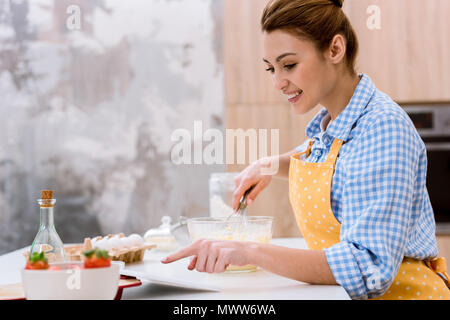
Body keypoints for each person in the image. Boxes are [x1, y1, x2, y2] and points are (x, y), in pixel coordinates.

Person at [162, 0, 450, 300]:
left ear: (335, 50)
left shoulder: (382, 127)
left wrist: (250, 251)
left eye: (289, 65)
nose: (278, 82)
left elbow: (367, 268)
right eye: (271, 68)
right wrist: (270, 165)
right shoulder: (335, 122)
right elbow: (334, 163)